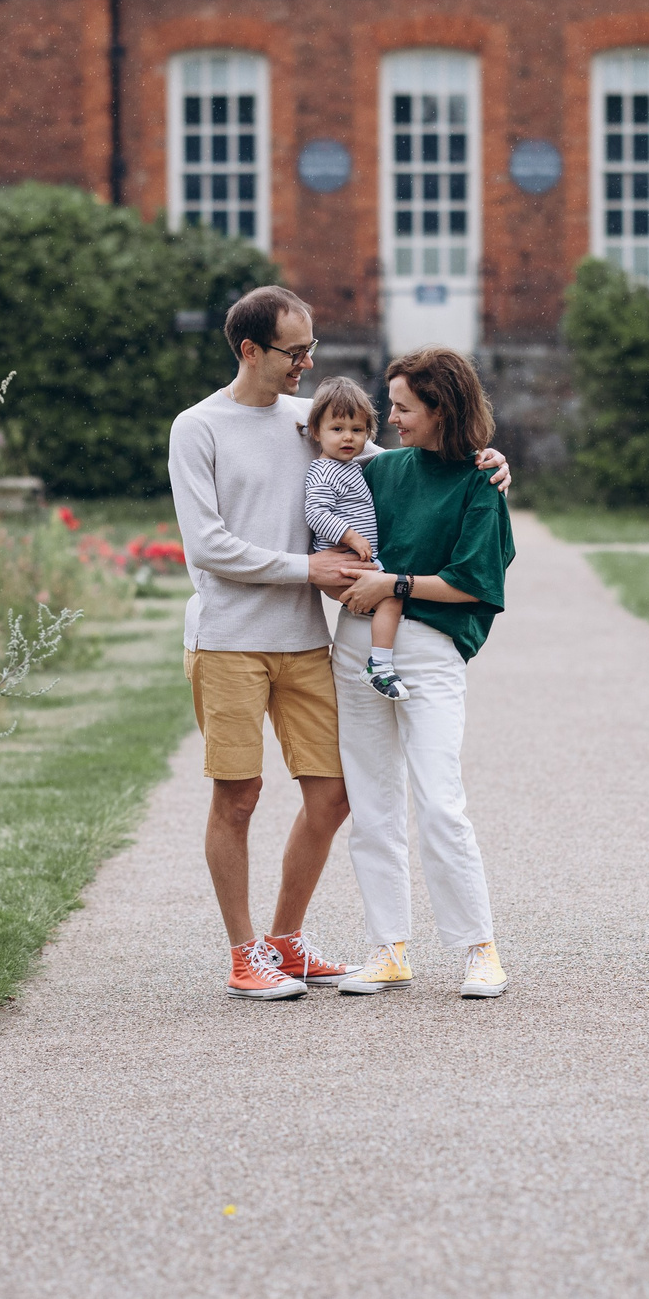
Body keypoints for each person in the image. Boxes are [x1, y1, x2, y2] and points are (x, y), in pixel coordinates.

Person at [167, 286, 510, 1001]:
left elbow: (414, 457)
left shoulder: (310, 422)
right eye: (298, 351)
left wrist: (490, 461)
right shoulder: (197, 427)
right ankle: (250, 954)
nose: (310, 362)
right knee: (242, 796)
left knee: (338, 798)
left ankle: (290, 942)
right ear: (251, 350)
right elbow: (207, 546)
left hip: (304, 643)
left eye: (312, 347)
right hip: (231, 638)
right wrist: (311, 568)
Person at [326, 348, 516, 1001]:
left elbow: (475, 581)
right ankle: (389, 949)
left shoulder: (478, 483)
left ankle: (478, 949)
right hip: (354, 651)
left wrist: (396, 582)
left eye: (405, 407)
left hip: (429, 653)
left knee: (440, 802)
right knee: (373, 807)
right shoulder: (379, 469)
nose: (392, 419)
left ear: (442, 409)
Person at [301, 377, 411, 702]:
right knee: (391, 595)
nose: (348, 437)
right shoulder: (323, 471)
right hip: (341, 560)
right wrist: (350, 536)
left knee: (385, 600)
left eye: (358, 430)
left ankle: (377, 659)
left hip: (356, 560)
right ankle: (379, 666)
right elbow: (316, 514)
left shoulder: (351, 464)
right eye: (337, 429)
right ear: (317, 431)